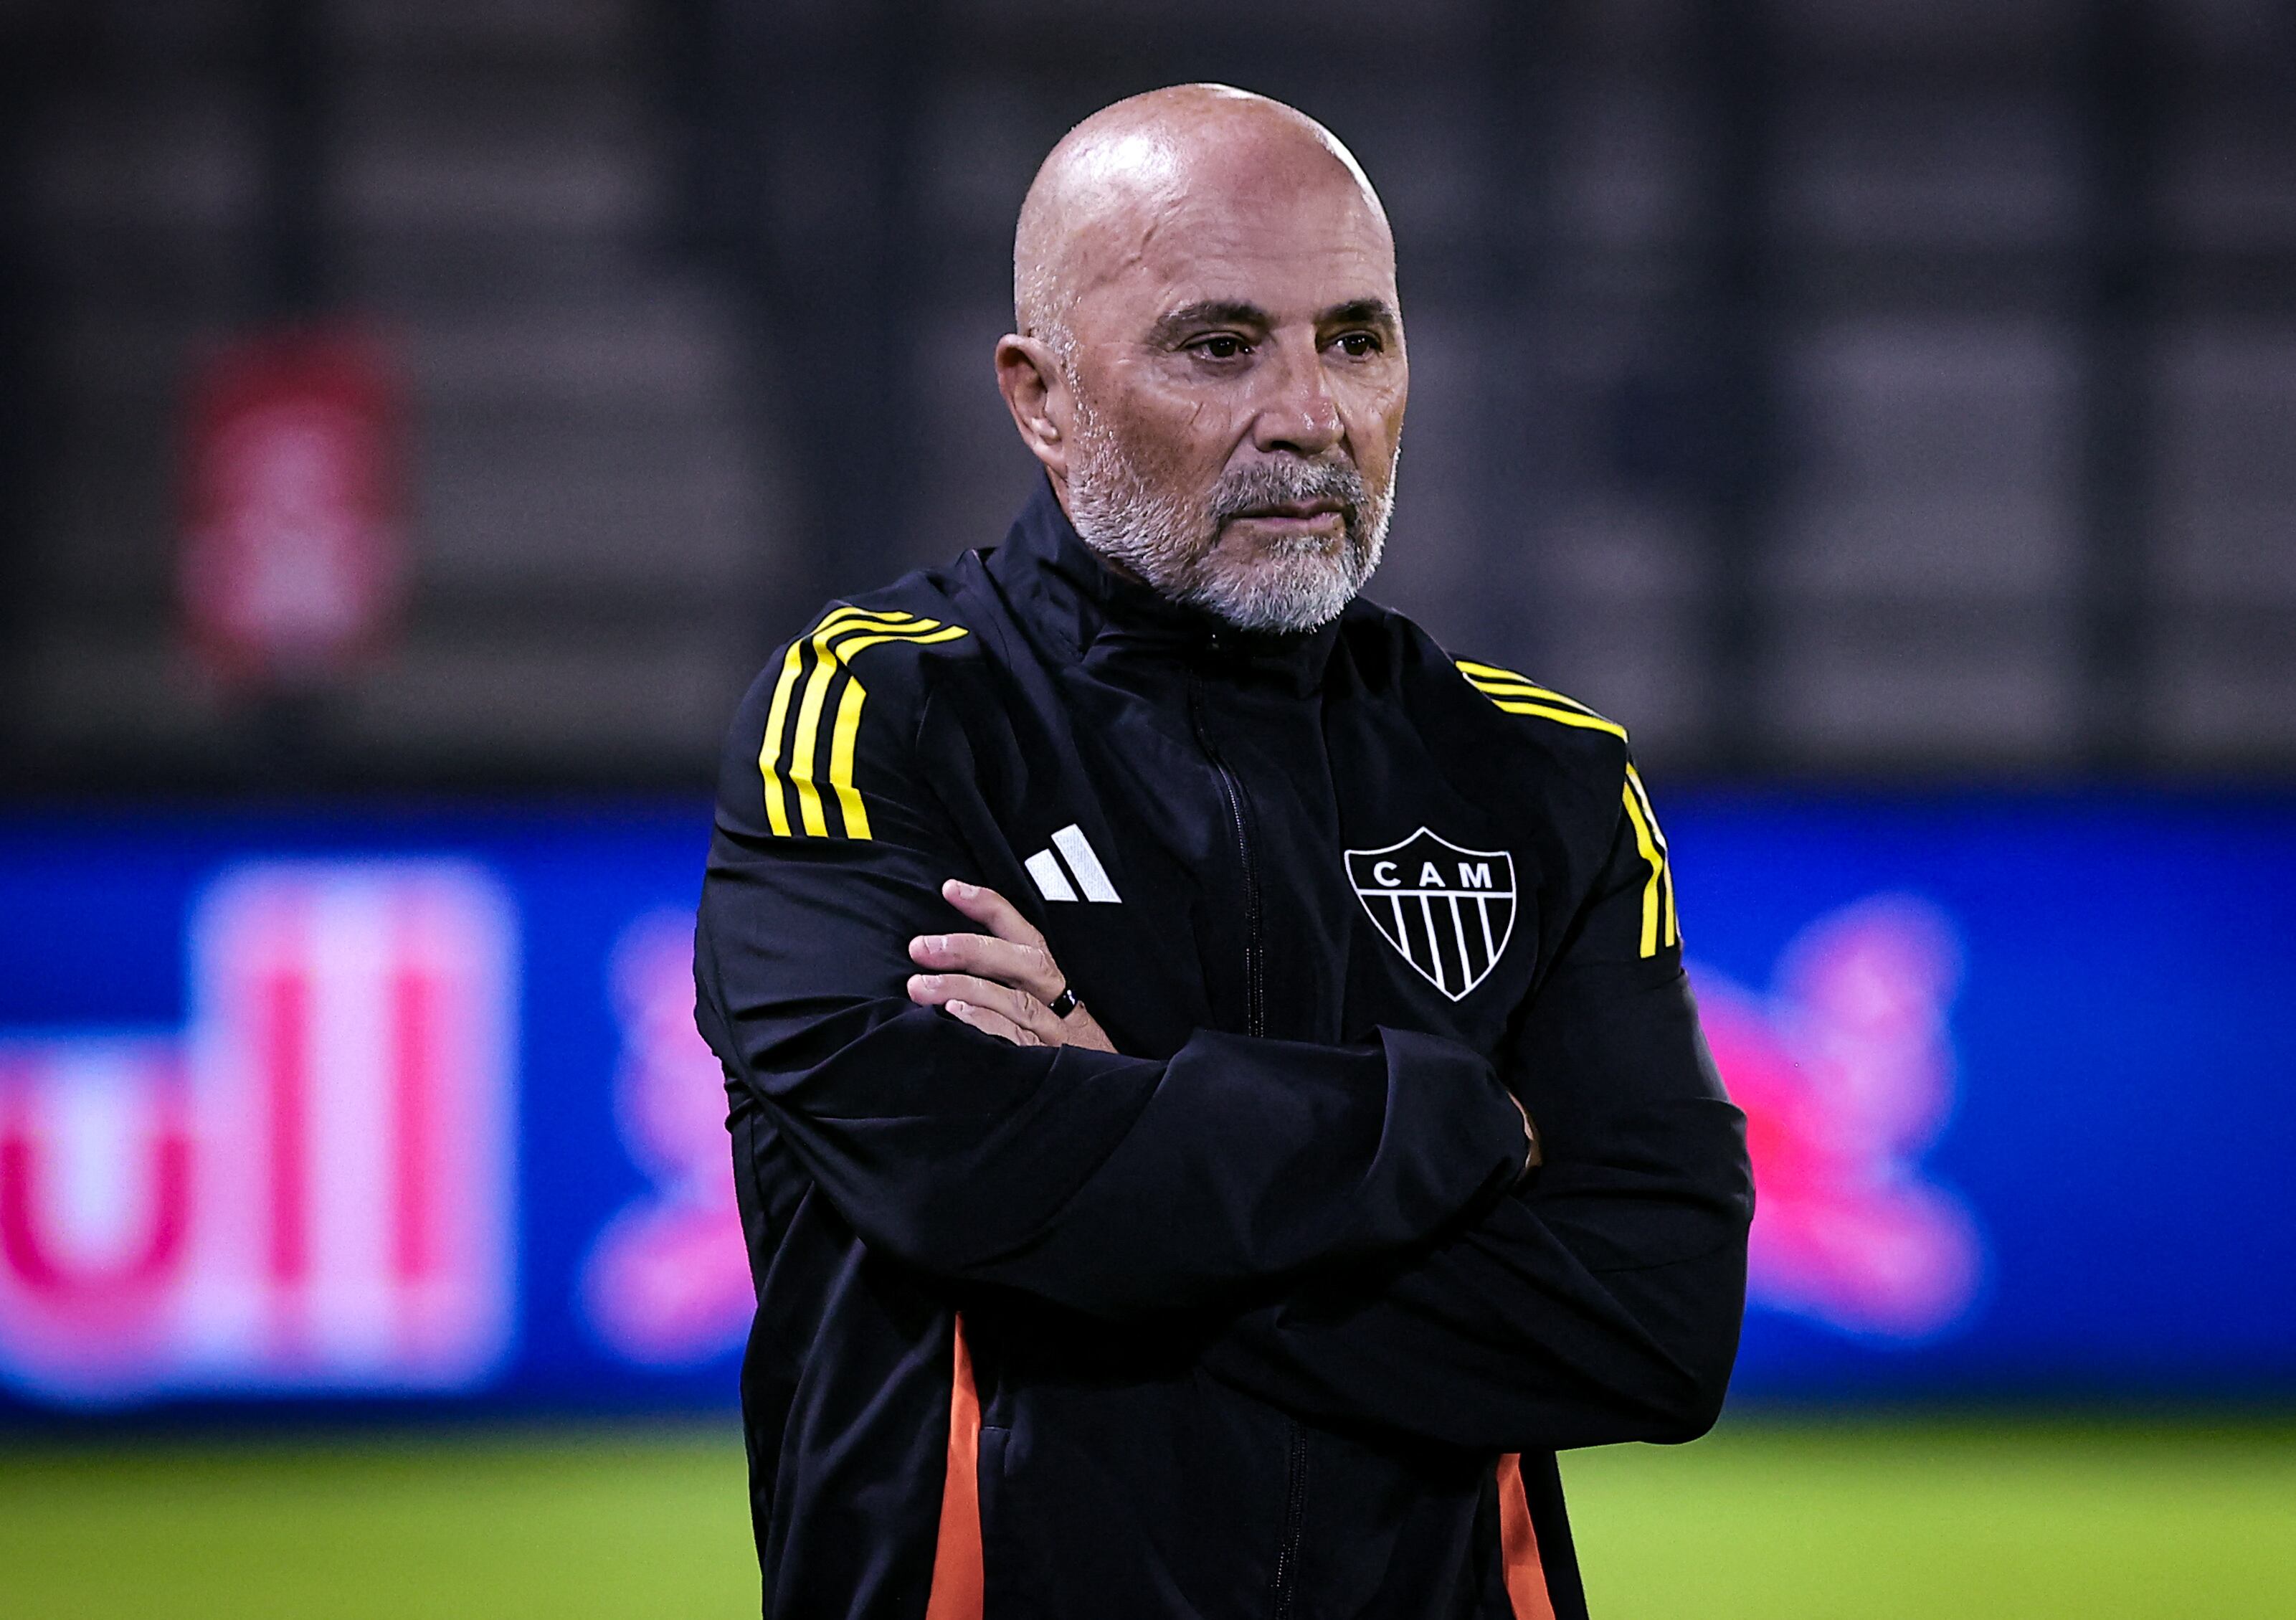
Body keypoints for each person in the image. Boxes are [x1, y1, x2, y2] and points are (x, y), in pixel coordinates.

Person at [694, 83, 1752, 1620]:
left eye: (1356, 339)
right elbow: (946, 1170)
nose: (1310, 415)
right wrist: (1452, 1122)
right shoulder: (879, 717)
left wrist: (1108, 1144)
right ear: (1041, 398)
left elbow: (1656, 1327)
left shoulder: (1546, 772)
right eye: (1218, 345)